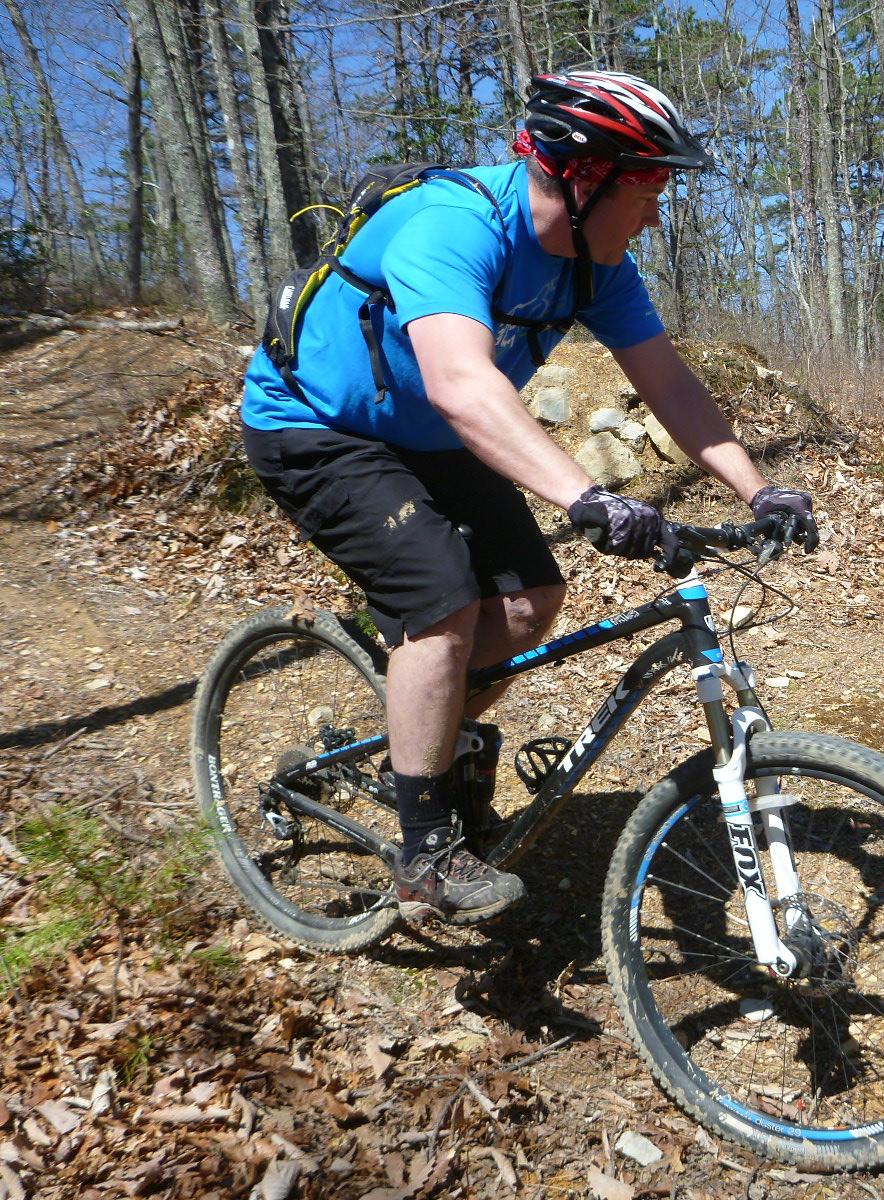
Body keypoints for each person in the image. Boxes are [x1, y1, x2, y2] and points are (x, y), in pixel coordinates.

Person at [239, 70, 818, 925]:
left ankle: (426, 737)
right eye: (649, 186)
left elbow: (668, 384)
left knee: (530, 599)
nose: (657, 213)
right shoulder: (454, 224)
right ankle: (425, 852)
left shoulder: (598, 265)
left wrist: (761, 486)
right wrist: (586, 495)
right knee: (439, 603)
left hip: (431, 434)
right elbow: (464, 385)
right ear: (585, 180)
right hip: (318, 427)